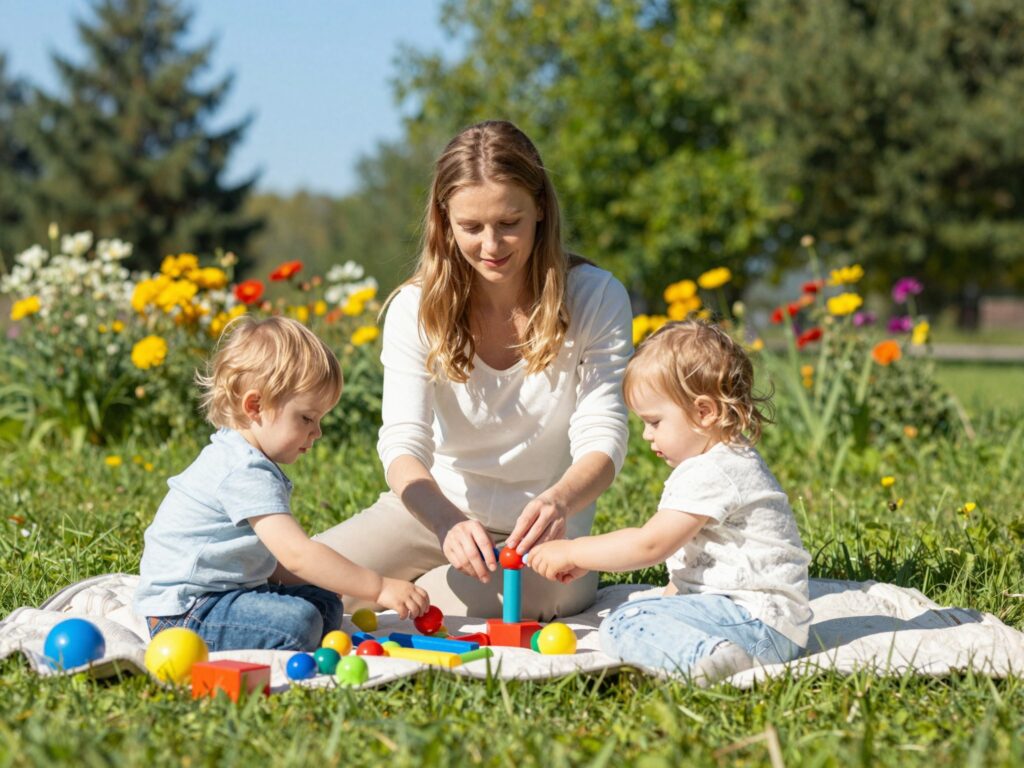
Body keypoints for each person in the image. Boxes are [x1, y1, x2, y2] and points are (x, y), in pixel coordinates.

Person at [314, 120, 632, 619]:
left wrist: (559, 503)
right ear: (444, 221)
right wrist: (445, 524)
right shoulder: (414, 308)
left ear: (541, 210)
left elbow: (604, 435)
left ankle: (403, 593)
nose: (492, 245)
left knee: (520, 599)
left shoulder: (596, 297)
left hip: (543, 534)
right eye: (471, 227)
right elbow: (402, 443)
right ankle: (404, 588)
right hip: (430, 516)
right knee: (294, 577)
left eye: (509, 223)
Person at [529, 320, 812, 681]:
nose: (647, 435)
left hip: (757, 625)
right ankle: (717, 653)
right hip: (769, 625)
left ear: (704, 412)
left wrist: (573, 551)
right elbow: (694, 560)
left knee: (624, 625)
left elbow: (650, 544)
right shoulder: (724, 461)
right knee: (645, 605)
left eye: (655, 421)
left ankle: (707, 658)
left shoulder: (712, 470)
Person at [134, 316, 429, 651]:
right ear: (255, 405)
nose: (316, 432)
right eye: (306, 418)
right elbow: (297, 556)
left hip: (227, 593)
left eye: (319, 420)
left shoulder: (248, 459)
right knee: (299, 622)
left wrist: (333, 584)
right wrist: (377, 588)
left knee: (327, 602)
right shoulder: (243, 471)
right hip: (187, 612)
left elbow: (276, 564)